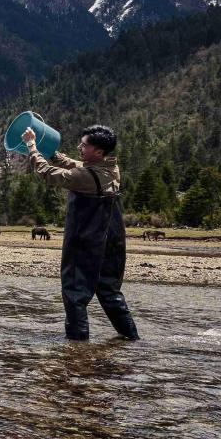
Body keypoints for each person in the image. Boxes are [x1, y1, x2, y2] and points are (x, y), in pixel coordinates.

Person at [23, 123, 140, 341]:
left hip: (86, 241)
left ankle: (77, 347)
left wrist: (32, 147)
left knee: (75, 294)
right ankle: (132, 339)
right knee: (109, 292)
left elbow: (48, 173)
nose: (79, 147)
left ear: (99, 152)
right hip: (112, 242)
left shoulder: (84, 177)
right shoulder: (111, 168)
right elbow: (75, 164)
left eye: (84, 145)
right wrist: (53, 153)